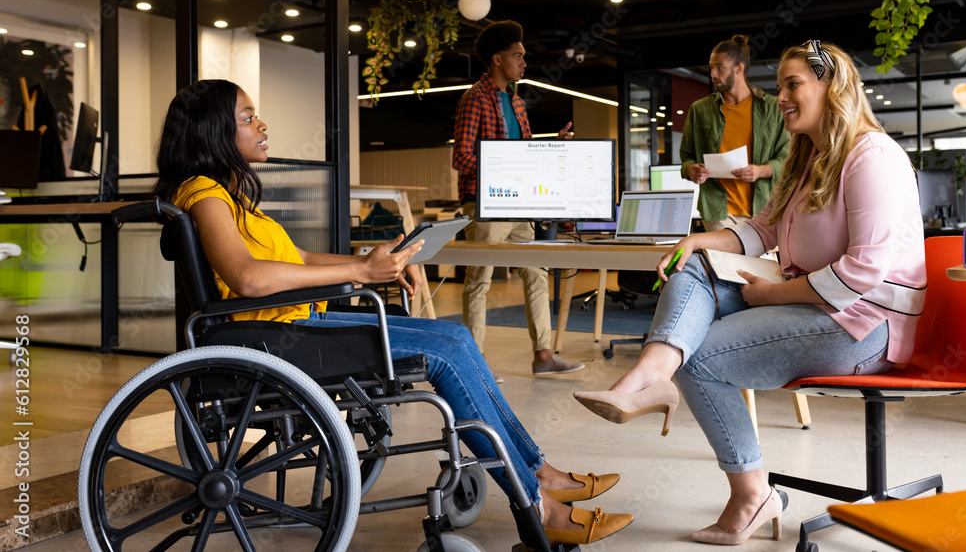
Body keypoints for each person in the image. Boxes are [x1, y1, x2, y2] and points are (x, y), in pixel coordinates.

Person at [152, 79, 632, 547]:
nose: (261, 124)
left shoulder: (228, 197)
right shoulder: (204, 194)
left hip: (291, 326)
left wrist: (377, 265)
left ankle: (540, 473)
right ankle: (539, 505)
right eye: (247, 116)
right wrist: (361, 270)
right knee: (445, 355)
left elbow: (295, 260)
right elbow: (249, 279)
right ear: (214, 131)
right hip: (277, 338)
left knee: (457, 336)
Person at [574, 41, 926, 545]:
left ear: (832, 86)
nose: (779, 96)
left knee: (700, 357)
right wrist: (696, 239)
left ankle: (750, 494)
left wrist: (774, 296)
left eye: (792, 84)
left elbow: (863, 274)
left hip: (863, 325)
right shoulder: (808, 158)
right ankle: (652, 372)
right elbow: (761, 231)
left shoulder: (872, 156)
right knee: (692, 266)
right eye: (779, 84)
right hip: (811, 299)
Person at [452, 20, 584, 376]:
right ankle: (474, 364)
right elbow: (461, 159)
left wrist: (550, 145)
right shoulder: (474, 99)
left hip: (516, 204)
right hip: (485, 204)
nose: (524, 63)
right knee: (479, 281)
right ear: (497, 59)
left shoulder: (516, 102)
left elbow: (524, 154)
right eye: (518, 56)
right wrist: (502, 165)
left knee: (535, 273)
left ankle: (543, 357)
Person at [680, 35, 790, 233]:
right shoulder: (700, 110)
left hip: (764, 208)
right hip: (717, 210)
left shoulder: (772, 108)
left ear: (739, 68)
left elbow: (787, 158)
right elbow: (687, 157)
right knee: (726, 264)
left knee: (763, 265)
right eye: (711, 67)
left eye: (719, 67)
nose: (713, 73)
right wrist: (691, 170)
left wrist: (760, 170)